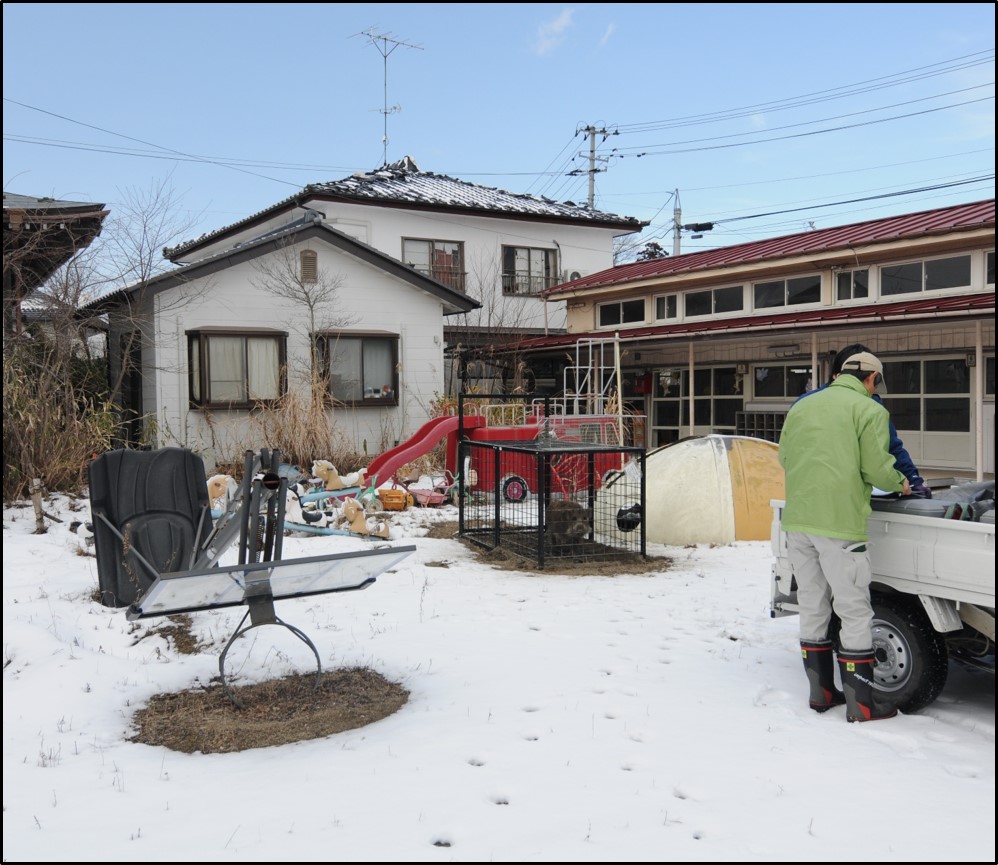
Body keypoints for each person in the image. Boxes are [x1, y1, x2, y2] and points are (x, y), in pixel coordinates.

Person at [779, 351, 910, 723]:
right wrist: (900, 482)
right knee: (853, 609)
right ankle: (861, 704)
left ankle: (821, 693)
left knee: (813, 603)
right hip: (839, 527)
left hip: (798, 521)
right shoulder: (869, 410)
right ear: (871, 379)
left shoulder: (802, 407)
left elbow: (785, 458)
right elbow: (877, 468)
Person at [795, 342, 931, 497]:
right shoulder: (869, 406)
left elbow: (785, 453)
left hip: (802, 496)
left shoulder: (802, 403)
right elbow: (880, 462)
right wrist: (907, 481)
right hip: (847, 498)